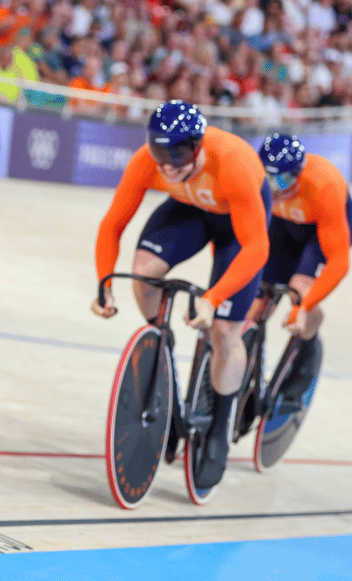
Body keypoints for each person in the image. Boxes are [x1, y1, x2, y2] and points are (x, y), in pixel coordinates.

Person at [90, 100, 271, 490]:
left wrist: (213, 296)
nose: (169, 164)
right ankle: (161, 346)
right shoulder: (146, 162)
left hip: (236, 228)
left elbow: (256, 248)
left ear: (199, 145)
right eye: (161, 153)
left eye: (180, 153)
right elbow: (112, 224)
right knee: (144, 272)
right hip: (190, 209)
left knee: (224, 332)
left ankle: (220, 427)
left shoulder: (233, 162)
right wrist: (104, 281)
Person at [252, 134, 352, 414]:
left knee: (299, 289)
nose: (275, 188)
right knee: (255, 302)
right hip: (284, 226)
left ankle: (303, 366)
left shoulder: (324, 184)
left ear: (299, 174)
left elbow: (339, 263)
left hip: (319, 233)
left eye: (284, 181)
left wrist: (305, 305)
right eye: (269, 180)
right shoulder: (256, 180)